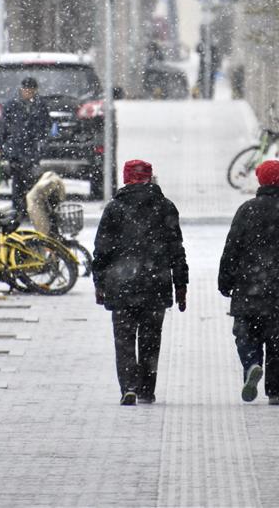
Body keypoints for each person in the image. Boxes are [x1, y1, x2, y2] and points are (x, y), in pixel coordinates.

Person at [218, 159, 279, 405]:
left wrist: (225, 281)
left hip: (249, 290)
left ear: (260, 179)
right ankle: (275, 392)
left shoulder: (246, 211)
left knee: (245, 334)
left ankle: (252, 363)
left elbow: (232, 250)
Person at [92, 159, 188, 406]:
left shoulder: (114, 209)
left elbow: (101, 250)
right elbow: (176, 250)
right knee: (150, 339)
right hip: (155, 286)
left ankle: (128, 387)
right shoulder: (165, 207)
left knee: (124, 340)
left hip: (121, 285)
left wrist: (99, 282)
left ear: (126, 179)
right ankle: (146, 388)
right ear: (150, 178)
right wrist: (181, 286)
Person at [0, 77, 51, 218]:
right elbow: (4, 129)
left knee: (31, 180)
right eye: (26, 90)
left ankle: (29, 208)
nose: (29, 93)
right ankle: (18, 209)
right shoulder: (11, 105)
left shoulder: (40, 106)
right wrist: (1, 148)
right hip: (16, 150)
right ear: (21, 89)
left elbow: (45, 127)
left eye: (31, 90)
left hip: (31, 150)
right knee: (18, 181)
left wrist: (42, 143)